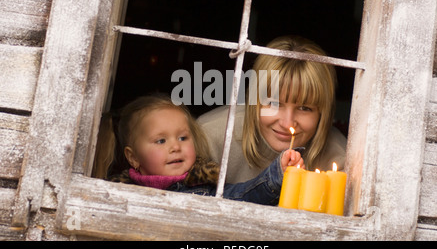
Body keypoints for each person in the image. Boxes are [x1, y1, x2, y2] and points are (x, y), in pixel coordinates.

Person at [94, 94, 304, 206]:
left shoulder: (205, 188)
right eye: (160, 141)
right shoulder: (115, 193)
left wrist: (277, 174)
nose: (175, 147)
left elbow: (245, 195)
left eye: (183, 137)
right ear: (133, 157)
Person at [198, 35, 347, 184]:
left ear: (322, 113)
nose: (287, 123)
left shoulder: (340, 160)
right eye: (274, 103)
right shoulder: (210, 138)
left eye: (304, 108)